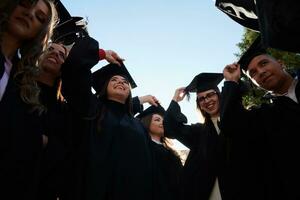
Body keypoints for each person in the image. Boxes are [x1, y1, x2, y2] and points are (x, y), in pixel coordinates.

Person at [61, 36, 156, 200]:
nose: (121, 82)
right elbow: (73, 69)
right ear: (105, 87)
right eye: (114, 79)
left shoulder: (139, 125)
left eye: (125, 81)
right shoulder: (91, 108)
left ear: (129, 91)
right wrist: (102, 54)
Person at [221, 35, 300, 200]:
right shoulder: (266, 114)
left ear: (280, 63)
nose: (261, 72)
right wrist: (231, 83)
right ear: (255, 83)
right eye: (253, 74)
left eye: (264, 63)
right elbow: (230, 124)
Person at [0, 0, 57, 199]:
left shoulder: (23, 87)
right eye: (25, 3)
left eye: (40, 17)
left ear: (40, 32)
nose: (30, 13)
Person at [163, 73, 233, 200]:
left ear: (219, 95)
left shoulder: (238, 122)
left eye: (211, 95)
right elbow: (170, 128)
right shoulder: (199, 133)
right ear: (199, 105)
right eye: (201, 99)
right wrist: (175, 100)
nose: (207, 100)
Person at [136, 104, 183, 200]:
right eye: (157, 120)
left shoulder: (170, 152)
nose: (162, 123)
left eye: (163, 120)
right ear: (147, 123)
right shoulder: (143, 148)